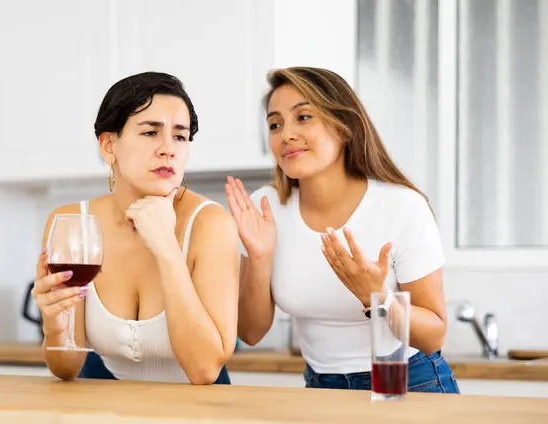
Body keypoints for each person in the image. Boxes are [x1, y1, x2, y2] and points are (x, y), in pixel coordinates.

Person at [226, 66, 459, 393]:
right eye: (275, 124)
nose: (286, 134)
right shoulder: (266, 208)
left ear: (345, 128)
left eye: (303, 117)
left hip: (403, 378)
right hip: (322, 387)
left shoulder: (401, 207)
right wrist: (260, 255)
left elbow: (433, 335)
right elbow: (250, 333)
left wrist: (376, 298)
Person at [32, 71, 239, 385]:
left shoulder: (211, 225)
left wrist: (167, 249)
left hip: (200, 413)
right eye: (150, 133)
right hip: (112, 409)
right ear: (108, 146)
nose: (168, 148)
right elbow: (66, 368)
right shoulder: (74, 224)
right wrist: (54, 324)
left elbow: (204, 370)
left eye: (180, 136)